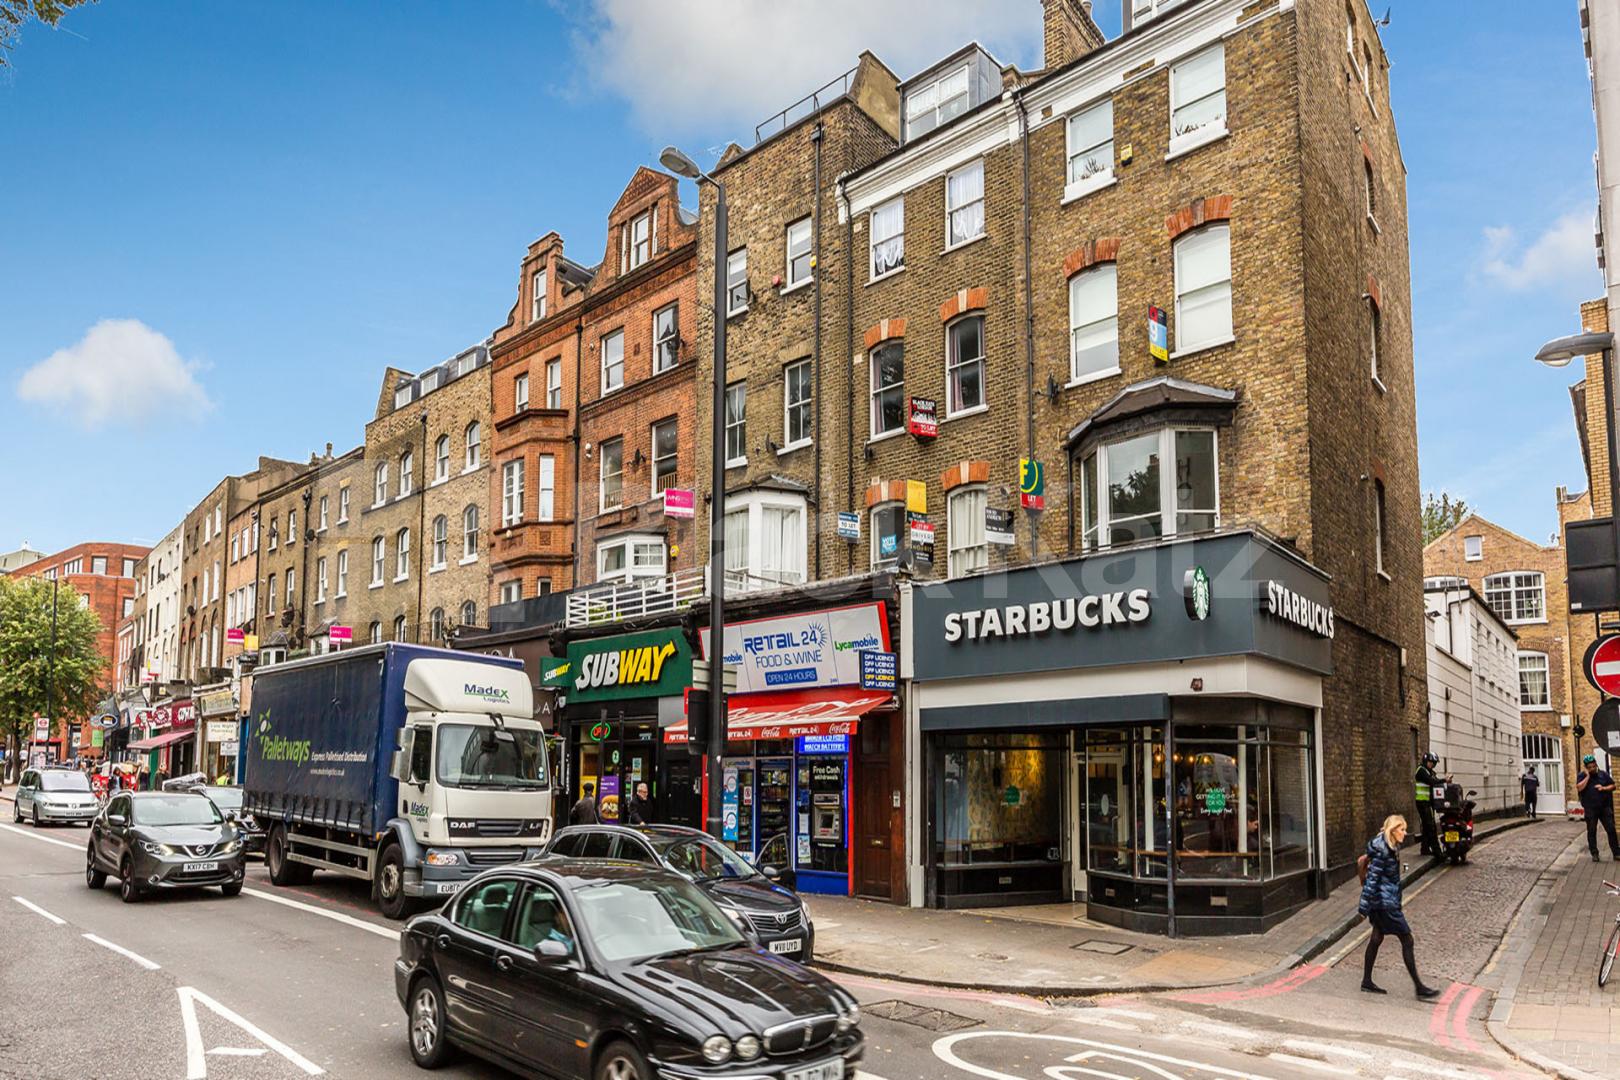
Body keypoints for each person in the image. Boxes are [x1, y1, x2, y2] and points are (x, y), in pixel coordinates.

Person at [1359, 814, 1440, 998]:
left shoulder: (1389, 846)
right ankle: (1419, 987)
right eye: (1402, 829)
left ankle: (1366, 981)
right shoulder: (1383, 850)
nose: (1405, 833)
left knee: (1376, 938)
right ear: (1393, 830)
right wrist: (1363, 908)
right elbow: (1372, 880)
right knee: (1407, 939)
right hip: (1384, 904)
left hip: (1383, 902)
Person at [1576, 753, 1620, 862]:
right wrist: (1587, 776)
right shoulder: (1582, 775)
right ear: (1586, 767)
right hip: (1590, 809)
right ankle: (1594, 853)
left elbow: (1613, 785)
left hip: (1604, 808)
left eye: (1593, 766)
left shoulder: (1603, 774)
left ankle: (1616, 853)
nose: (1592, 768)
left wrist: (1604, 788)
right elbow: (1579, 788)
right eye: (1589, 767)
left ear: (1596, 764)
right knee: (1591, 831)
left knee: (1611, 829)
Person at [1414, 752, 1443, 858]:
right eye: (1430, 762)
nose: (1432, 765)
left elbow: (1436, 780)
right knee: (1431, 827)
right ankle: (1438, 853)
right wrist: (1444, 780)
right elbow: (1431, 781)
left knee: (1427, 826)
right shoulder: (1421, 771)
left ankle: (1425, 848)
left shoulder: (1429, 771)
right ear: (1425, 761)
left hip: (1428, 803)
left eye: (1433, 763)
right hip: (1422, 802)